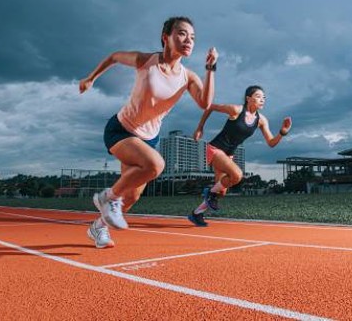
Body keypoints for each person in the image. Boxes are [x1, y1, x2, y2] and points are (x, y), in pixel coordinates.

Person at [80, 16, 217, 248]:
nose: (189, 40)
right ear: (166, 37)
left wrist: (210, 68)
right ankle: (106, 197)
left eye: (193, 37)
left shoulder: (188, 77)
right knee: (155, 165)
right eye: (182, 34)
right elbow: (114, 56)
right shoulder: (146, 61)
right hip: (121, 130)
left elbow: (205, 103)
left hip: (148, 139)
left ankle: (98, 228)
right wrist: (91, 78)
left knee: (132, 197)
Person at [187, 85, 291, 227]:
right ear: (248, 99)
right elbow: (210, 107)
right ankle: (209, 193)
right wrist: (200, 128)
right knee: (237, 175)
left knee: (221, 192)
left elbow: (271, 143)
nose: (262, 100)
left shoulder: (261, 120)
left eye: (264, 97)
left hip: (228, 155)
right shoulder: (236, 110)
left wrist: (282, 132)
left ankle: (196, 213)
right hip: (215, 149)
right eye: (258, 96)